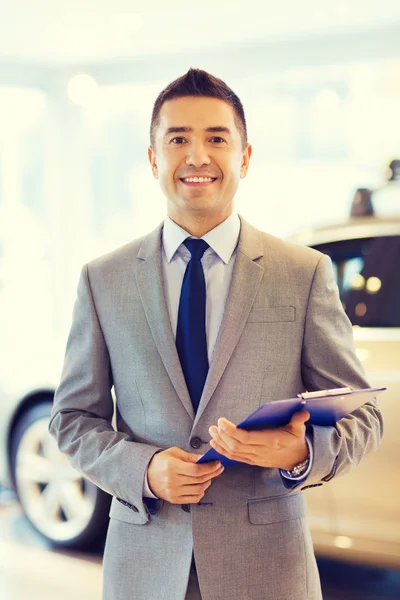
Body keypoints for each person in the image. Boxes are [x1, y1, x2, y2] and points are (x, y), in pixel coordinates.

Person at [49, 68, 383, 600]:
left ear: (245, 157)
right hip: (144, 569)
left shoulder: (303, 274)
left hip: (267, 571)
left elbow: (362, 416)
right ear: (154, 158)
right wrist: (144, 469)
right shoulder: (103, 279)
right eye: (178, 139)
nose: (197, 157)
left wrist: (299, 453)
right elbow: (71, 419)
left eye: (216, 139)